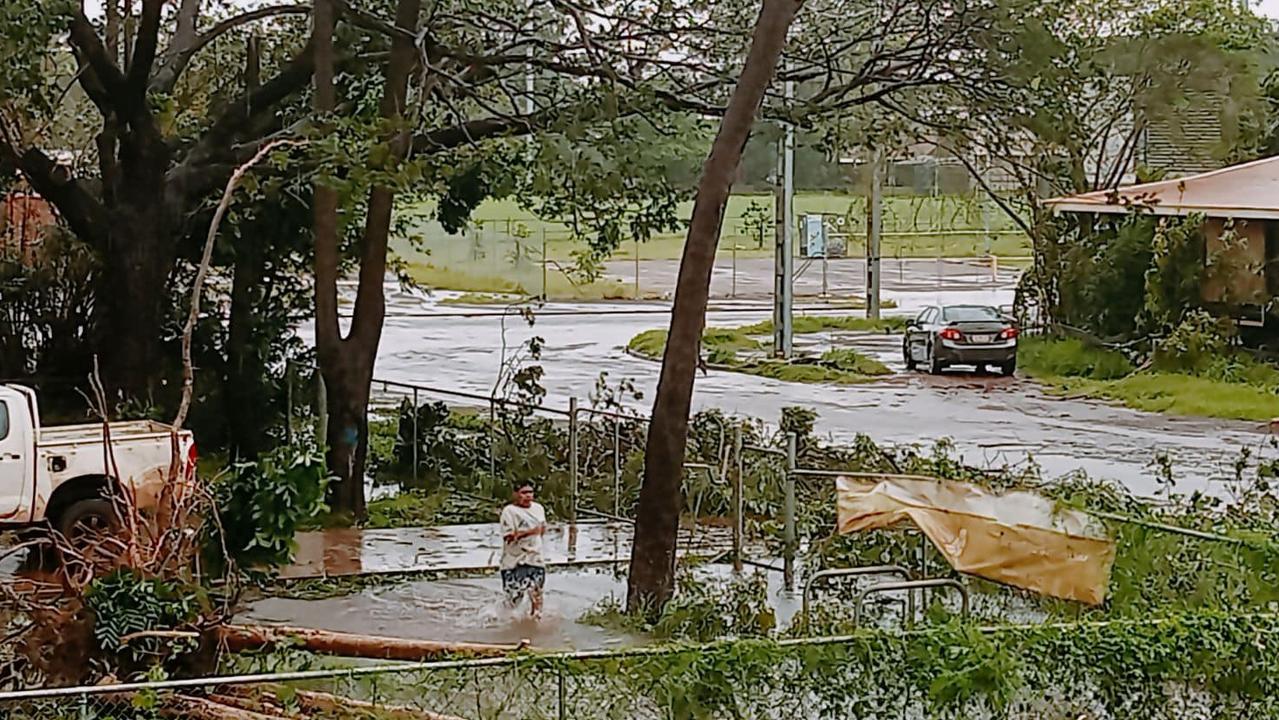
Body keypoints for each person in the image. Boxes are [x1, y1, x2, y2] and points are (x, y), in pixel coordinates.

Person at [499, 481, 547, 619]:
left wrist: (536, 538)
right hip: (515, 560)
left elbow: (542, 528)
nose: (528, 496)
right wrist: (530, 532)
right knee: (514, 598)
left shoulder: (538, 508)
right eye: (524, 493)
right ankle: (506, 620)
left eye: (530, 492)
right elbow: (508, 538)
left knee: (537, 593)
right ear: (515, 494)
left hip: (535, 558)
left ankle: (535, 619)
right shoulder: (509, 511)